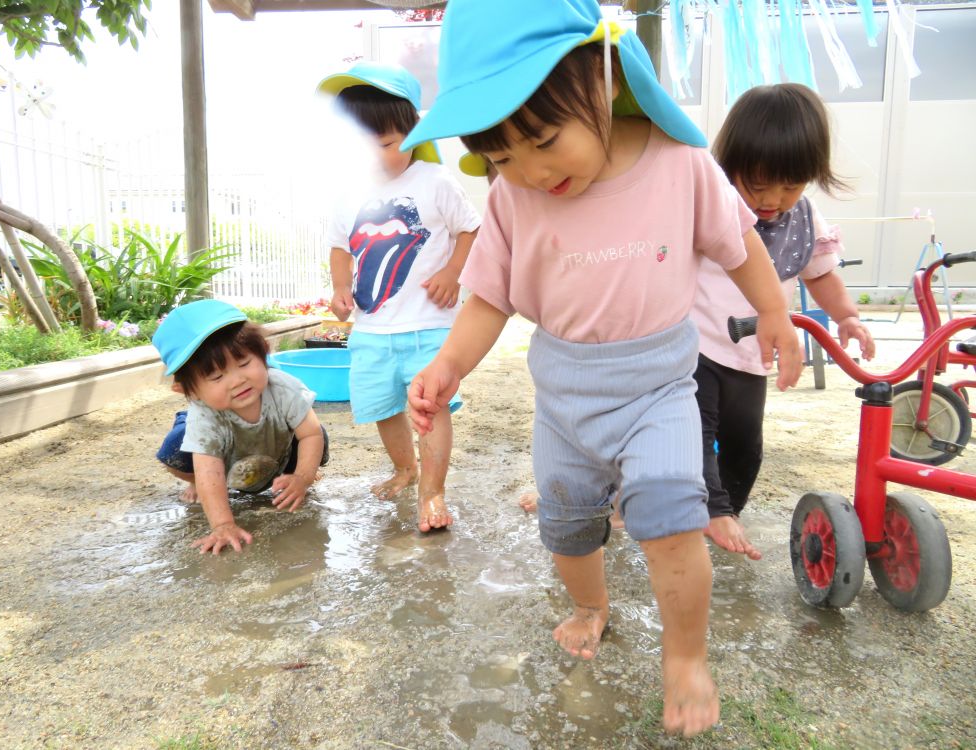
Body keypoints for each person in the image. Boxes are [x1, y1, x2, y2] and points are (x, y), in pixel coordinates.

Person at [403, 0, 803, 737]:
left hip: (657, 388)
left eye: (543, 139)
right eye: (500, 157)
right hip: (563, 398)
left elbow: (738, 244)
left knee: (672, 516)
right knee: (568, 528)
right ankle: (591, 605)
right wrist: (448, 364)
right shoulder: (514, 198)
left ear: (601, 75)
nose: (527, 169)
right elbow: (488, 296)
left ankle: (685, 656)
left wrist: (774, 312)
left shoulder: (679, 164)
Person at [692, 84, 876, 561]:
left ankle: (725, 513)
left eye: (791, 185)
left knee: (746, 448)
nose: (773, 198)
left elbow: (822, 276)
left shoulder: (805, 219)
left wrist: (848, 317)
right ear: (728, 166)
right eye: (757, 184)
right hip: (695, 347)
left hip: (752, 356)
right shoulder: (708, 203)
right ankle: (709, 509)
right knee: (693, 431)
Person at [317, 62, 481, 532]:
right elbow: (339, 246)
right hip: (371, 330)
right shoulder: (347, 192)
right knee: (382, 408)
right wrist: (341, 286)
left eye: (386, 144)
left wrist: (453, 271)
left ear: (410, 135)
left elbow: (471, 228)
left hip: (428, 326)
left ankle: (432, 491)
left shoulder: (433, 180)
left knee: (431, 409)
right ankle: (405, 469)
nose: (374, 156)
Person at [154, 299, 329, 554]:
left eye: (245, 363)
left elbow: (310, 434)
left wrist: (303, 477)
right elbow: (209, 471)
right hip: (224, 455)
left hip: (276, 449)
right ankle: (199, 486)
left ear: (263, 353)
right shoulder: (205, 415)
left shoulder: (283, 388)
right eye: (216, 376)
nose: (238, 380)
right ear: (189, 391)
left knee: (317, 433)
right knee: (176, 448)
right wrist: (223, 524)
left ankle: (294, 476)